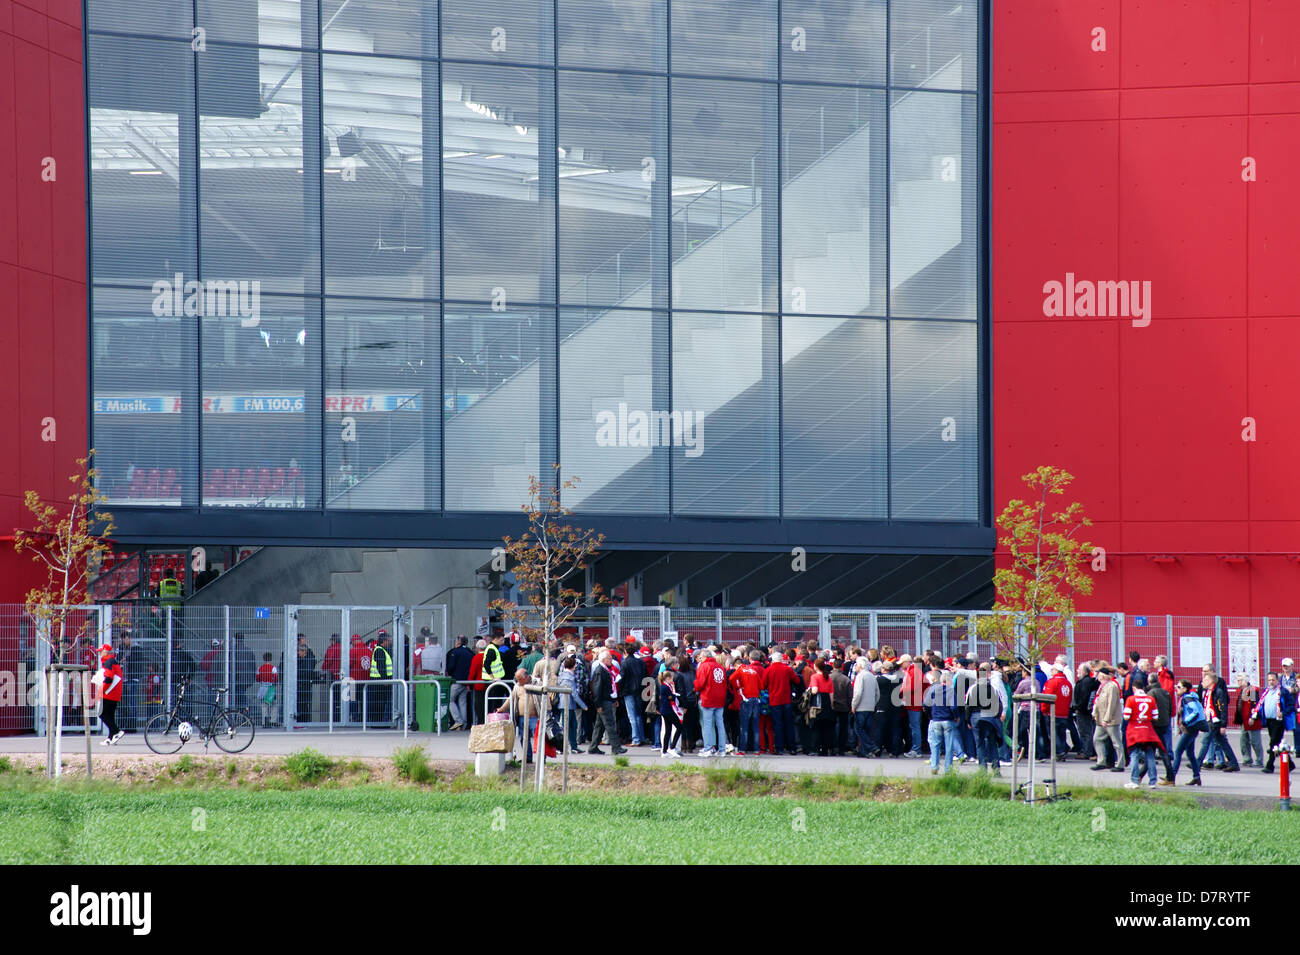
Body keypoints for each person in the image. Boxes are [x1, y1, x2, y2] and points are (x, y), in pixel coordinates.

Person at [1252, 672, 1295, 773]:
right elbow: (1260, 705)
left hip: (1278, 721)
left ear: (1277, 680)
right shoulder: (1266, 691)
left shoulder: (1283, 692)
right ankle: (1290, 764)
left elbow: (1291, 705)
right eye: (1269, 680)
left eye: (1273, 680)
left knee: (1273, 742)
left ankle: (1270, 765)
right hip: (1269, 720)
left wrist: (1283, 712)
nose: (1271, 682)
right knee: (1278, 742)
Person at [1122, 682, 1163, 789]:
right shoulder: (1151, 699)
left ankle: (1134, 781)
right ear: (1143, 688)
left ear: (1134, 688)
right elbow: (1155, 717)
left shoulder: (1130, 699)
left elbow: (1126, 716)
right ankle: (1153, 781)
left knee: (1134, 755)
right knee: (1150, 756)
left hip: (1135, 731)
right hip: (1148, 731)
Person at [1197, 669, 1239, 772]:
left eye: (1205, 680)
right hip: (1209, 720)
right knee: (1222, 742)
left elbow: (1223, 709)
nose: (1202, 682)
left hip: (1215, 722)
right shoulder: (1207, 692)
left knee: (1206, 741)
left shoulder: (1218, 692)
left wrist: (1223, 724)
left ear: (1211, 681)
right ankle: (1233, 763)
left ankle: (1197, 763)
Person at [968, 664, 1005, 775]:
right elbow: (999, 704)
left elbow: (968, 706)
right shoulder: (993, 689)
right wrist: (998, 716)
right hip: (991, 718)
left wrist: (967, 720)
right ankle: (996, 769)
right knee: (993, 743)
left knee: (980, 744)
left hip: (977, 717)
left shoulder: (973, 689)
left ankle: (982, 770)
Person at [498, 669, 540, 764]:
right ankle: (527, 758)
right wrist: (502, 708)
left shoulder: (537, 683)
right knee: (524, 738)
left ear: (526, 677)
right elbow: (511, 699)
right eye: (517, 679)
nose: (518, 682)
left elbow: (544, 697)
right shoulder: (517, 686)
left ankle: (542, 758)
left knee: (539, 738)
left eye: (520, 679)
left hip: (535, 716)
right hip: (522, 717)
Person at [587, 651, 625, 756]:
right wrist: (598, 705)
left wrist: (614, 699)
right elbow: (597, 689)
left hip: (608, 699)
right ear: (603, 660)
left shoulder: (607, 670)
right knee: (610, 724)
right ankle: (616, 747)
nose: (611, 660)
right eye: (609, 658)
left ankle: (593, 747)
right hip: (603, 702)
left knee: (600, 726)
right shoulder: (600, 671)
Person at [1171, 679, 1208, 785]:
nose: (1176, 689)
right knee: (1190, 754)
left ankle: (1171, 777)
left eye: (1179, 687)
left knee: (1178, 751)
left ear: (1185, 688)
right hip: (1191, 729)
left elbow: (1195, 711)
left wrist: (1186, 722)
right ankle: (1196, 777)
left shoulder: (1187, 698)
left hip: (1190, 729)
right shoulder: (1188, 697)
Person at [694, 648, 728, 757]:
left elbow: (700, 684)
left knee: (707, 724)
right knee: (720, 724)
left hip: (708, 698)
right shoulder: (720, 667)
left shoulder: (704, 666)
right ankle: (722, 749)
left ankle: (708, 748)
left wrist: (695, 686)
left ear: (704, 657)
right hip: (720, 698)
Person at [924, 669, 960, 774]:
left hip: (935, 720)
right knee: (949, 746)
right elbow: (954, 707)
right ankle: (948, 769)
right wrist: (956, 717)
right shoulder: (951, 690)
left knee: (935, 744)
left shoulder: (933, 689)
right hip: (948, 720)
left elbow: (926, 704)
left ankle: (934, 766)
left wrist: (931, 715)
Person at [1090, 667, 1126, 772]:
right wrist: (1095, 714)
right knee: (1097, 739)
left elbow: (1111, 703)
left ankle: (1120, 763)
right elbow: (1098, 701)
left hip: (1110, 720)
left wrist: (1107, 718)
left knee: (1116, 742)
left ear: (1102, 676)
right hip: (1100, 719)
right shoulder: (1102, 686)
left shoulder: (1112, 686)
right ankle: (1101, 761)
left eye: (1098, 674)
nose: (1097, 676)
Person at [730, 650, 764, 756]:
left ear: (737, 665)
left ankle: (742, 750)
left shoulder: (740, 670)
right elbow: (761, 686)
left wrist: (738, 687)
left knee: (744, 726)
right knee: (755, 726)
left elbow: (731, 678)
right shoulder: (753, 670)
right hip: (755, 699)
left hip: (746, 699)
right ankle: (756, 750)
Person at [764, 650, 797, 755]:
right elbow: (797, 680)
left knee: (777, 725)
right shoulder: (787, 669)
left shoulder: (769, 670)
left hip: (774, 701)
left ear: (773, 660)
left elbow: (763, 684)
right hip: (786, 699)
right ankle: (792, 748)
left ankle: (779, 748)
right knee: (789, 724)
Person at [556, 654, 586, 752]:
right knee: (567, 726)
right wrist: (583, 706)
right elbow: (574, 694)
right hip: (567, 704)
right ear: (573, 666)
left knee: (572, 725)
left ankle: (573, 746)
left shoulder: (562, 676)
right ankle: (562, 748)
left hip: (565, 704)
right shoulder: (569, 678)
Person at [97, 643, 125, 745]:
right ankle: (111, 737)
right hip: (115, 693)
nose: (99, 654)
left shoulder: (108, 662)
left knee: (102, 714)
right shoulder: (113, 661)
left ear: (105, 652)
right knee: (110, 715)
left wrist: (102, 690)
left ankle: (117, 731)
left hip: (109, 693)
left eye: (100, 652)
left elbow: (109, 678)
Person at [851, 656, 879, 758]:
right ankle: (864, 751)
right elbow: (877, 693)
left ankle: (871, 746)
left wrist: (853, 705)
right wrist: (873, 703)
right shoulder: (872, 676)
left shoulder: (860, 676)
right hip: (870, 707)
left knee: (859, 729)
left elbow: (858, 693)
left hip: (861, 707)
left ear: (860, 666)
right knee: (866, 730)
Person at [898, 654, 926, 758]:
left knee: (915, 727)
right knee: (914, 726)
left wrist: (900, 692)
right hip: (913, 702)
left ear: (906, 662)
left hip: (914, 702)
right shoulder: (913, 671)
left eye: (902, 663)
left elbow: (912, 687)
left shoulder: (914, 671)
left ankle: (916, 750)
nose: (901, 666)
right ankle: (916, 748)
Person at [1234, 674, 1263, 768]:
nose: (1237, 682)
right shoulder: (1242, 691)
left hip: (1251, 720)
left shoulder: (1252, 690)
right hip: (1244, 721)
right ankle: (1247, 759)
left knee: (1255, 741)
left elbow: (1255, 705)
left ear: (1244, 681)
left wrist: (1253, 717)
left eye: (1239, 680)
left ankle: (1259, 760)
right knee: (1243, 740)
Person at [445, 635, 472, 730]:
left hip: (457, 680)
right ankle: (464, 723)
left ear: (458, 642)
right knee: (462, 702)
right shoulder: (470, 652)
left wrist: (450, 673)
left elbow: (451, 666)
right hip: (467, 681)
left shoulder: (455, 652)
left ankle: (458, 720)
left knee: (450, 700)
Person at [658, 665, 685, 758]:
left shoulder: (664, 686)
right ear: (668, 678)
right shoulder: (666, 687)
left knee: (668, 730)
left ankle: (664, 751)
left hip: (665, 710)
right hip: (668, 710)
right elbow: (671, 697)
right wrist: (673, 691)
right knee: (679, 727)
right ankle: (672, 747)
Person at [1073, 661, 1099, 760]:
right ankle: (1087, 750)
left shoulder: (1085, 682)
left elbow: (1084, 696)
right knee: (1087, 731)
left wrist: (1079, 708)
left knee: (1085, 732)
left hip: (1083, 711)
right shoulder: (1088, 681)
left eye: (1079, 670)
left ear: (1084, 671)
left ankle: (1086, 751)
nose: (1077, 672)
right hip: (1085, 710)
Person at [369, 631, 394, 724]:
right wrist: (385, 680)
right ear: (384, 641)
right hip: (379, 682)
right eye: (389, 641)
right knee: (379, 703)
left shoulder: (381, 650)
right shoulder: (379, 651)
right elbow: (381, 667)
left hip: (379, 681)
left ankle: (378, 722)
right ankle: (377, 723)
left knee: (380, 703)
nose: (390, 642)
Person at [321, 634, 342, 723]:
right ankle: (343, 718)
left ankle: (335, 719)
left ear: (333, 640)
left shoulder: (332, 649)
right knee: (345, 698)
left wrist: (323, 668)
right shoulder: (343, 648)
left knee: (334, 699)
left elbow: (328, 660)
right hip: (344, 676)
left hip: (334, 675)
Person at [255, 652, 279, 727]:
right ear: (271, 659)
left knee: (264, 705)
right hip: (271, 687)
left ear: (263, 659)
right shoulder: (273, 668)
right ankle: (273, 720)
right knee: (274, 704)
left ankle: (264, 721)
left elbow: (257, 679)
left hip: (263, 687)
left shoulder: (260, 668)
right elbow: (276, 678)